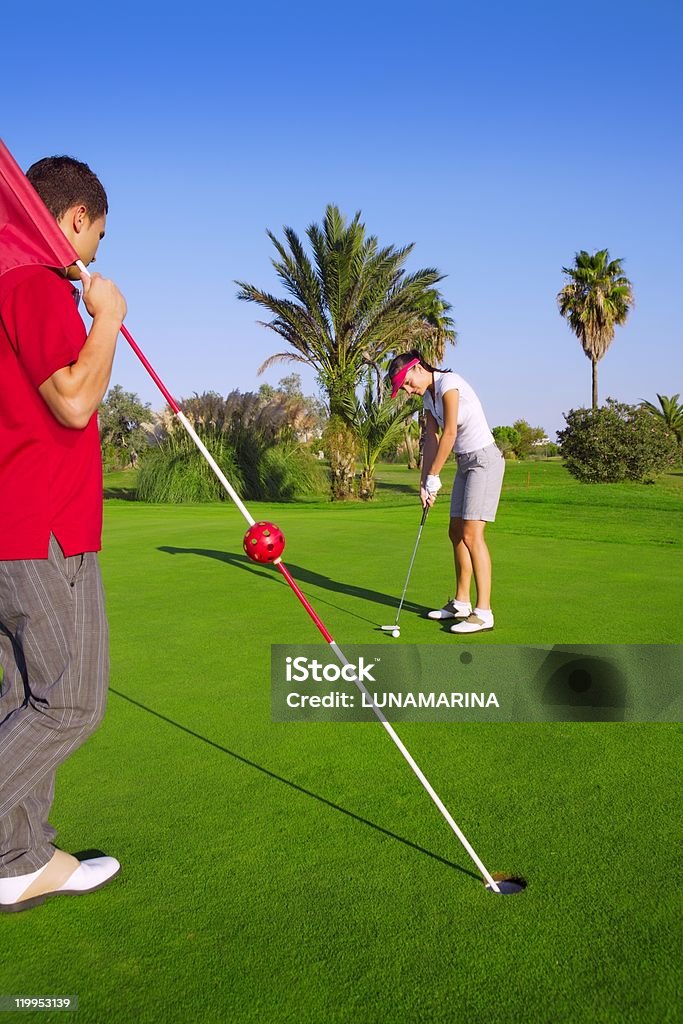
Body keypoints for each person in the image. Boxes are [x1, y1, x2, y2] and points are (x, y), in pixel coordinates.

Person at [0, 155, 127, 912]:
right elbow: (74, 401)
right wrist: (106, 315)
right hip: (42, 527)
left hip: (14, 526)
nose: (91, 257)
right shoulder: (35, 283)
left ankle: (18, 861)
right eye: (96, 239)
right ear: (74, 218)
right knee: (70, 703)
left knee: (21, 696)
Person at [388, 350, 505, 635]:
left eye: (406, 382)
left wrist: (436, 475)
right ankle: (461, 603)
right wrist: (423, 482)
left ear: (416, 367)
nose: (407, 390)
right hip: (466, 463)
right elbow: (431, 440)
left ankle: (484, 612)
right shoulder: (428, 399)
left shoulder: (448, 384)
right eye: (402, 387)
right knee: (455, 532)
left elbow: (450, 432)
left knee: (472, 535)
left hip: (484, 461)